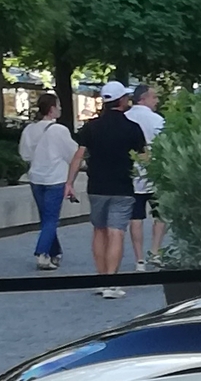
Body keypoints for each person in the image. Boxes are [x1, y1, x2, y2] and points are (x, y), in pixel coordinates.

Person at [70, 80, 145, 292]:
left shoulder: (91, 127)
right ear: (121, 100)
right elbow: (145, 158)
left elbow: (78, 156)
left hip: (96, 187)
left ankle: (101, 279)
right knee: (116, 233)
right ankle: (112, 282)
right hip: (122, 187)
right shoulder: (132, 128)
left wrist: (69, 183)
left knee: (99, 231)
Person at [19, 91, 73, 268]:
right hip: (55, 178)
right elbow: (72, 153)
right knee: (51, 218)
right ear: (51, 109)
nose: (60, 109)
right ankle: (42, 253)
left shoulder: (29, 129)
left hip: (36, 178)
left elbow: (25, 155)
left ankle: (55, 252)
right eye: (58, 106)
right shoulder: (59, 130)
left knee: (46, 217)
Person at [125, 80, 165, 273]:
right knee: (161, 215)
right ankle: (155, 252)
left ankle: (139, 259)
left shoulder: (125, 118)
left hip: (131, 175)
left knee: (136, 217)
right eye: (154, 96)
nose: (156, 100)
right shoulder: (157, 120)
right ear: (144, 98)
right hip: (155, 174)